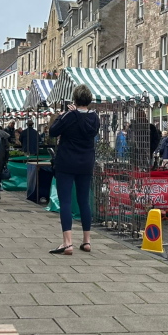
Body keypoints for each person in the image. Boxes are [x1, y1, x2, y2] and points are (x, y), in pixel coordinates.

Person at [48, 84, 100, 255]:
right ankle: (86, 241)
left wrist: (62, 116)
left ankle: (67, 243)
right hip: (86, 163)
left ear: (75, 99)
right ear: (89, 100)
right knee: (84, 201)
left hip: (66, 162)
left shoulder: (69, 116)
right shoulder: (95, 118)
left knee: (65, 202)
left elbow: (53, 132)